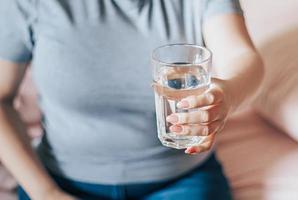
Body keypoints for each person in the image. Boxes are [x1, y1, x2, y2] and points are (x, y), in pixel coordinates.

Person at [0, 0, 264, 200]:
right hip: (59, 181)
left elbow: (243, 58)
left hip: (181, 182)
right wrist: (45, 192)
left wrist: (227, 94)